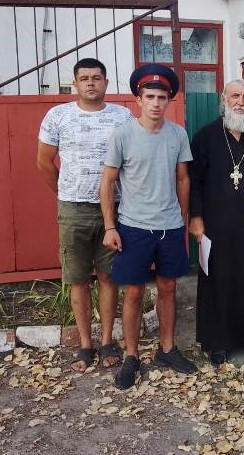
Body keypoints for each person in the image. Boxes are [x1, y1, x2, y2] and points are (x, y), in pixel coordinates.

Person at [100, 63, 197, 390]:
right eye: (150, 96)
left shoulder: (178, 134)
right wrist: (110, 226)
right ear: (138, 100)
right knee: (134, 292)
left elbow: (183, 178)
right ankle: (131, 356)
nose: (156, 103)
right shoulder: (123, 135)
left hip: (169, 226)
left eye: (162, 97)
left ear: (169, 101)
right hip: (133, 226)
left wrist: (183, 220)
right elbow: (108, 181)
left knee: (169, 288)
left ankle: (167, 349)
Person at [37, 58, 132, 373]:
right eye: (84, 78)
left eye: (96, 78)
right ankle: (85, 345)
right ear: (75, 83)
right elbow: (44, 161)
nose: (91, 83)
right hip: (73, 208)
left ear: (105, 82)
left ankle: (106, 341)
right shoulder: (58, 115)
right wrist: (65, 193)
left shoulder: (123, 116)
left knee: (108, 276)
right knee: (77, 278)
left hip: (114, 209)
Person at [188, 79, 244, 367]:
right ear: (224, 99)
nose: (240, 102)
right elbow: (196, 183)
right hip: (216, 224)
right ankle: (219, 343)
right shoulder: (205, 137)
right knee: (219, 282)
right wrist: (197, 218)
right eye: (235, 96)